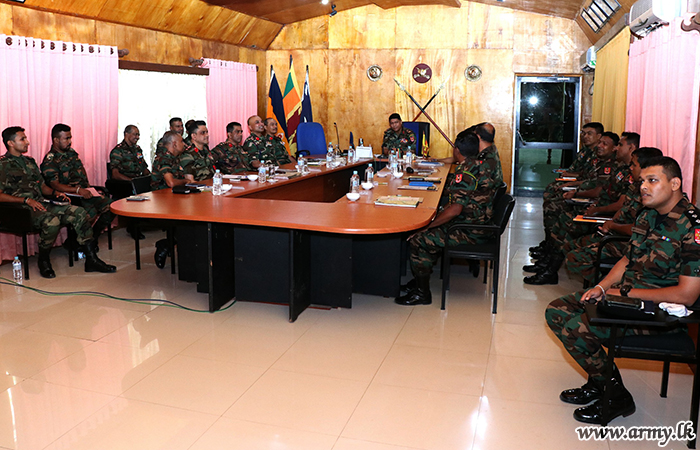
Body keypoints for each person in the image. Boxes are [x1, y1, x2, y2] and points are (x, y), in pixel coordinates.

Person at [545, 156, 700, 425]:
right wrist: (601, 287)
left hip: (660, 314)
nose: (643, 187)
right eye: (642, 181)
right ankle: (602, 384)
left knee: (575, 327)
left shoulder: (692, 227)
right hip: (629, 299)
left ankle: (615, 397)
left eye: (652, 181)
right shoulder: (648, 214)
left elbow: (686, 295)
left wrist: (626, 294)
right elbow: (627, 260)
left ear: (675, 184)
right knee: (556, 310)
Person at [395, 130, 499, 306]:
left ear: (457, 150)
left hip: (468, 230)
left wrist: (427, 226)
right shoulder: (477, 164)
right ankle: (420, 277)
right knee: (430, 224)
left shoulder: (465, 173)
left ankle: (422, 293)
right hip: (478, 223)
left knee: (419, 239)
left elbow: (455, 210)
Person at [0, 126, 115, 278]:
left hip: (40, 204)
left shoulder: (29, 162)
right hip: (20, 210)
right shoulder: (3, 165)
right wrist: (25, 200)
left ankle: (91, 259)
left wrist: (56, 193)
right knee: (52, 221)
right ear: (10, 143)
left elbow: (42, 187)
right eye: (23, 139)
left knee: (79, 212)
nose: (27, 142)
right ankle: (43, 260)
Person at [525, 132, 620, 285]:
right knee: (558, 213)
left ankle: (550, 269)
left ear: (615, 148)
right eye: (600, 143)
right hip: (591, 205)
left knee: (564, 222)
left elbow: (599, 191)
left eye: (604, 144)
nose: (600, 146)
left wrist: (578, 195)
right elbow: (586, 178)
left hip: (599, 213)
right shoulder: (600, 162)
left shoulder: (613, 167)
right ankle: (548, 259)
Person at [564, 147, 663, 285]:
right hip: (614, 232)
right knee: (569, 245)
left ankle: (608, 287)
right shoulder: (636, 187)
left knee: (574, 257)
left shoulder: (652, 195)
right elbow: (623, 209)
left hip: (626, 241)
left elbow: (638, 229)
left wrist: (612, 225)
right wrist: (609, 224)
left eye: (634, 165)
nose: (630, 168)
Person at [41, 123, 114, 249]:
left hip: (83, 193)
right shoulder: (50, 160)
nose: (70, 141)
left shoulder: (71, 153)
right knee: (90, 212)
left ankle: (93, 237)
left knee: (111, 206)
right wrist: (78, 190)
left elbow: (81, 173)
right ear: (56, 140)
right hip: (69, 197)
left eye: (70, 138)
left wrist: (88, 188)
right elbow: (55, 185)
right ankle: (80, 242)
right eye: (66, 138)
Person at [151, 131, 193, 268]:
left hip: (175, 198)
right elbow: (171, 183)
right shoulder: (164, 158)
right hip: (162, 202)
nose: (184, 144)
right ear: (174, 144)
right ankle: (166, 245)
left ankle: (170, 244)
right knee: (190, 222)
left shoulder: (174, 158)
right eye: (181, 141)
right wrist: (186, 181)